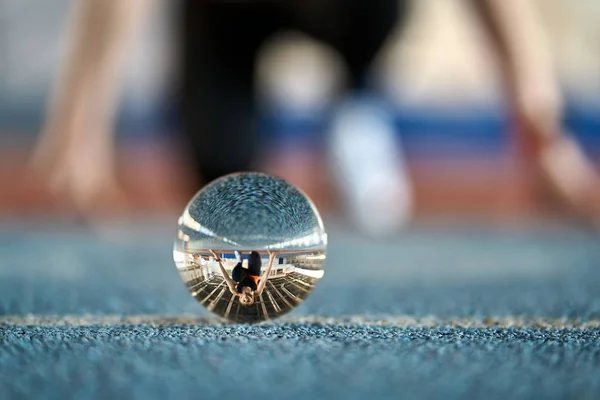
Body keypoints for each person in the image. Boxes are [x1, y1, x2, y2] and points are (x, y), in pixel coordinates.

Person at [30, 0, 600, 229]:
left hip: (352, 10)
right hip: (227, 14)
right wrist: (79, 130)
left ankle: (356, 99)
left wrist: (539, 127)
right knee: (222, 184)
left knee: (376, 15)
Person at [210, 250, 276, 306]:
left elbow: (226, 278)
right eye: (248, 301)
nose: (246, 299)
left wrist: (217, 258)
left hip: (241, 274)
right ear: (252, 299)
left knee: (236, 278)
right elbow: (264, 279)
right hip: (253, 273)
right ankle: (252, 254)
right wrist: (271, 259)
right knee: (254, 254)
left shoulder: (235, 291)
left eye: (244, 301)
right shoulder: (257, 292)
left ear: (240, 298)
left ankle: (240, 261)